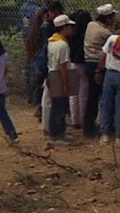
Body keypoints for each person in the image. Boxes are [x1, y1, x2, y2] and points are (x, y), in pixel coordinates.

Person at [83, 4, 117, 137]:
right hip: (99, 65)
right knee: (104, 98)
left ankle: (88, 126)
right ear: (107, 19)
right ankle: (106, 126)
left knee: (91, 97)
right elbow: (111, 45)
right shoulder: (106, 33)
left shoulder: (91, 25)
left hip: (88, 62)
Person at [44, 14, 76, 143]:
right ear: (64, 27)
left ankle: (60, 132)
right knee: (58, 106)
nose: (71, 29)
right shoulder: (62, 45)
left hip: (51, 73)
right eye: (69, 26)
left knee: (59, 105)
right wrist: (65, 84)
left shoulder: (52, 41)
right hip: (58, 75)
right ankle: (55, 134)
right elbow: (62, 66)